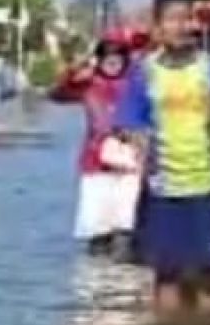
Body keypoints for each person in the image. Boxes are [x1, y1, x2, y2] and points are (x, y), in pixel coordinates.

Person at [116, 0, 210, 315]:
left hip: (207, 186)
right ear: (158, 27)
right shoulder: (144, 71)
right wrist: (140, 146)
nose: (181, 26)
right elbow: (130, 121)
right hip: (162, 188)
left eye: (187, 19)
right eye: (172, 19)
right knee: (166, 275)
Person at [49, 30, 142, 259]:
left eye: (118, 55)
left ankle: (123, 284)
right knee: (97, 229)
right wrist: (75, 68)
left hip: (130, 162)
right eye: (107, 56)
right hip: (95, 163)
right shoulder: (89, 84)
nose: (112, 61)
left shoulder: (135, 84)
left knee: (126, 226)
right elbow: (56, 93)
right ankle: (97, 284)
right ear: (98, 59)